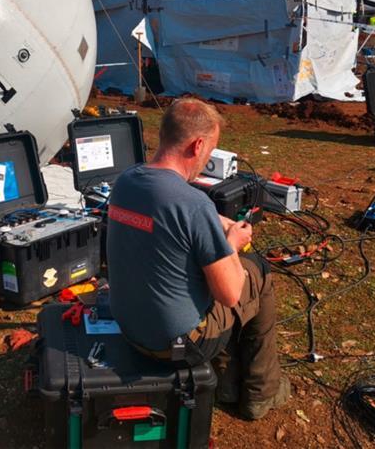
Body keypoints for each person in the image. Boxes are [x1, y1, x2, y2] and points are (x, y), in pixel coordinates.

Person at [106, 98, 289, 420]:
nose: (206, 160)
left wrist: (216, 222)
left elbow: (167, 213)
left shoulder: (126, 182)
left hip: (130, 329)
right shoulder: (193, 204)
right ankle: (261, 392)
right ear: (198, 145)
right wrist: (231, 243)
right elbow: (229, 294)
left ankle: (230, 381)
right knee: (256, 273)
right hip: (177, 347)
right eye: (209, 151)